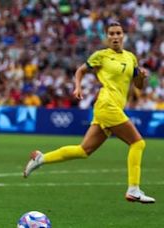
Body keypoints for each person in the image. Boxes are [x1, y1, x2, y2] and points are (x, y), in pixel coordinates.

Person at [23, 21, 155, 204]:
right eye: (111, 34)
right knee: (138, 143)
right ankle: (133, 189)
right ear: (107, 37)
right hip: (107, 105)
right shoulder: (101, 56)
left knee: (84, 150)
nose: (115, 37)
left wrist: (140, 77)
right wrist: (77, 87)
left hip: (112, 107)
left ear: (123, 35)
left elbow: (138, 85)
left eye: (118, 33)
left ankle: (41, 158)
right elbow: (80, 70)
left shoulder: (131, 58)